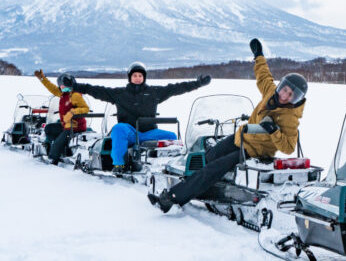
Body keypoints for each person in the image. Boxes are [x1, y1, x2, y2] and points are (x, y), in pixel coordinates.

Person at [148, 38, 307, 213]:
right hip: (241, 138)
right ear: (281, 86)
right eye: (285, 90)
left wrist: (274, 131)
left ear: (297, 99)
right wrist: (258, 55)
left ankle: (171, 198)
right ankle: (201, 187)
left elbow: (288, 147)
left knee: (213, 168)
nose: (285, 96)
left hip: (254, 151)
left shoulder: (290, 117)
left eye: (291, 95)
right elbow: (263, 75)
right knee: (207, 157)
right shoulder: (270, 92)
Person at [72, 61, 211, 173]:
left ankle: (172, 166)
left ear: (144, 77)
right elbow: (96, 90)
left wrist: (198, 83)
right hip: (131, 133)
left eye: (140, 76)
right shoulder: (119, 94)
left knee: (172, 136)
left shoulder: (154, 93)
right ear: (130, 77)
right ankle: (119, 164)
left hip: (149, 132)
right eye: (135, 76)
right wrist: (74, 86)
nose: (138, 78)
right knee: (119, 128)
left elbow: (175, 88)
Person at [33, 70, 90, 165]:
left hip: (75, 127)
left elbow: (85, 108)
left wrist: (73, 112)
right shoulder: (64, 94)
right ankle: (56, 148)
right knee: (49, 128)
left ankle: (53, 158)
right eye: (60, 85)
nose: (61, 87)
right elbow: (52, 88)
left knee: (57, 144)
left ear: (70, 84)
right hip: (66, 125)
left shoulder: (75, 95)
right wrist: (42, 79)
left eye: (63, 85)